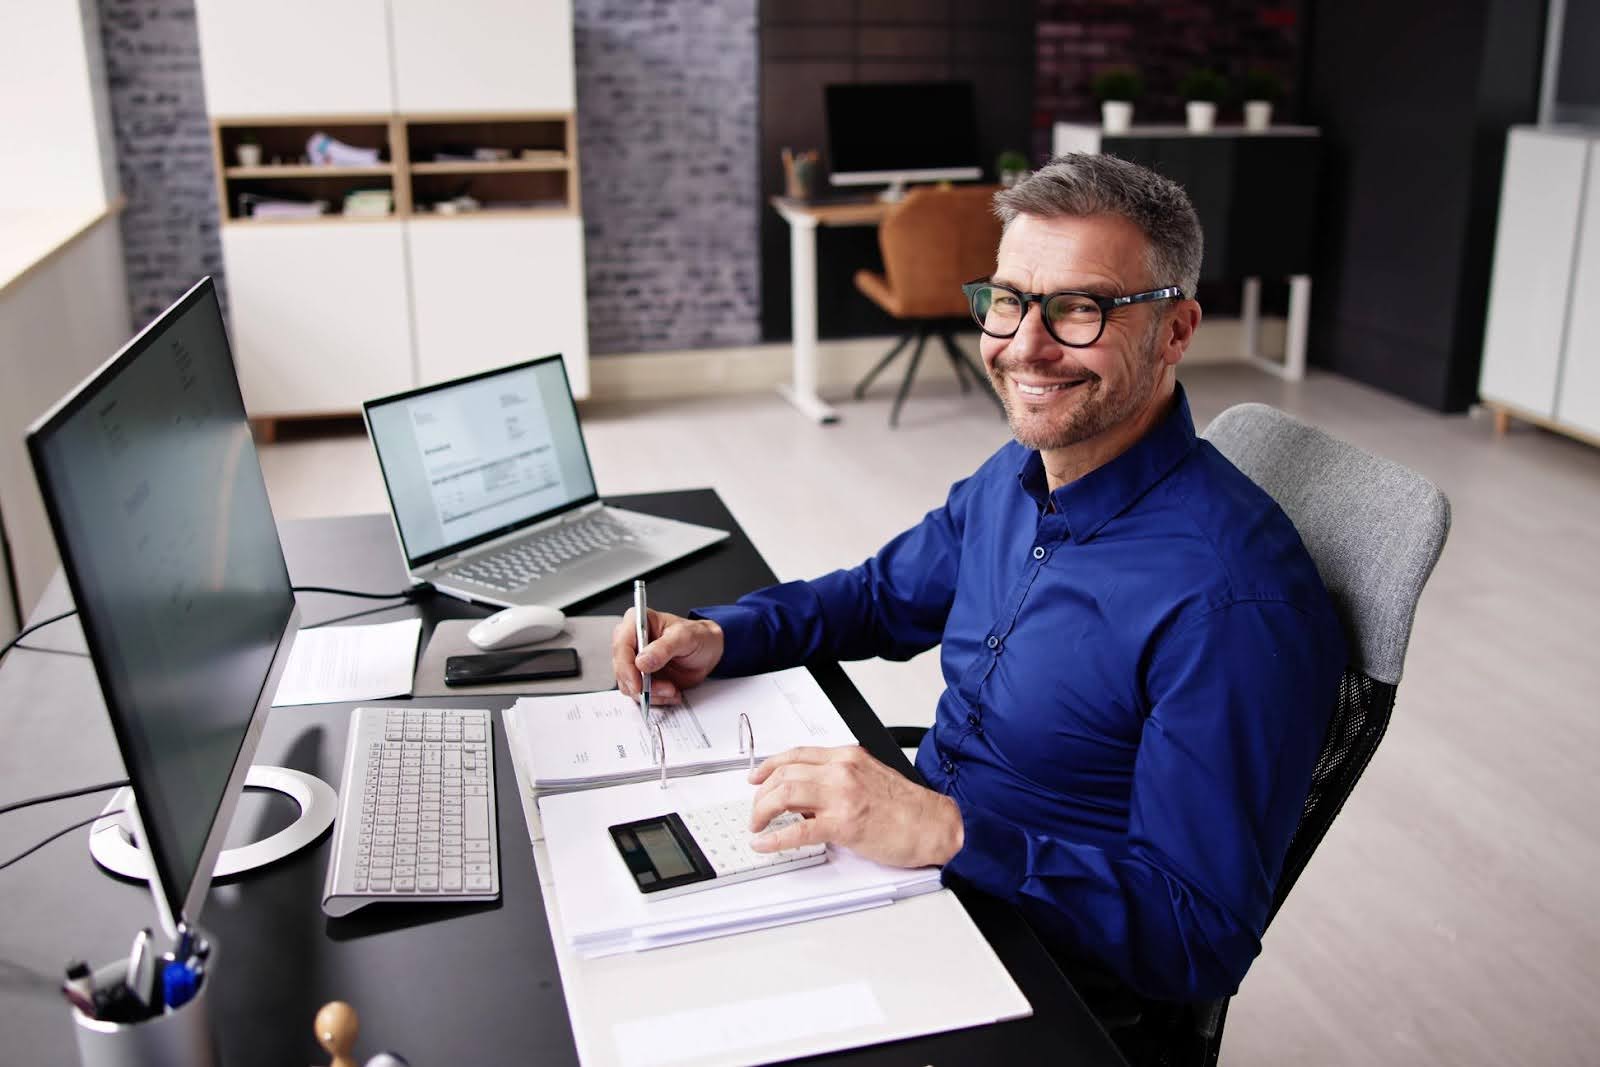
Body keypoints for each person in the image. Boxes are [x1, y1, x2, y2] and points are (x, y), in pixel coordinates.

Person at [610, 154, 1345, 1006]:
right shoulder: (1022, 471)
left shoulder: (1234, 605)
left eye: (1080, 308)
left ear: (1175, 331)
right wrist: (725, 633)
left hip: (1035, 969)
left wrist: (946, 830)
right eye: (1008, 300)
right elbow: (883, 595)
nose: (1023, 345)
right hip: (912, 869)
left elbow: (1194, 939)